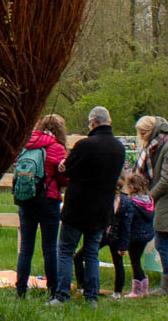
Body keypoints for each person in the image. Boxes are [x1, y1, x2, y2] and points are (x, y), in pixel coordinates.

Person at [52, 106, 127, 305]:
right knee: (92, 252)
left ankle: (61, 296)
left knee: (66, 251)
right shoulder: (119, 148)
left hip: (78, 208)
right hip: (102, 209)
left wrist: (63, 166)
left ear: (93, 122)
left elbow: (68, 170)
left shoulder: (84, 145)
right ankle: (91, 297)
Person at [14, 112, 68, 297]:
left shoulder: (25, 144)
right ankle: (53, 290)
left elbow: (16, 166)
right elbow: (63, 179)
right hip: (49, 200)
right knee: (49, 248)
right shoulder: (57, 148)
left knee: (26, 247)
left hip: (26, 200)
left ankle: (20, 289)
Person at [135, 115, 168, 297]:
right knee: (161, 242)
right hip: (162, 200)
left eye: (143, 133)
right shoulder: (157, 146)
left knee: (162, 242)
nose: (141, 137)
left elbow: (167, 180)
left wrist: (149, 197)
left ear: (152, 132)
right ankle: (167, 284)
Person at [123, 168, 156, 298]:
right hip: (146, 235)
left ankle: (137, 289)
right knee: (137, 260)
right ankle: (144, 289)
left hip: (135, 236)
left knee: (135, 261)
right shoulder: (148, 201)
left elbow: (128, 222)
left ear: (132, 186)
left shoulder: (132, 203)